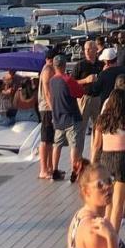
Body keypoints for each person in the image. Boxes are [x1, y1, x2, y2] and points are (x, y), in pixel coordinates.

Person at [91, 76, 125, 231]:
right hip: (124, 159)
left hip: (106, 159)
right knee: (118, 203)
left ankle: (105, 231)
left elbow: (96, 145)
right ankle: (113, 237)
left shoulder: (101, 121)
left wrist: (93, 164)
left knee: (108, 200)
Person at [67, 163, 125, 248]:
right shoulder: (95, 229)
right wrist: (111, 237)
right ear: (86, 191)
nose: (107, 186)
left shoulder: (79, 216)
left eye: (109, 181)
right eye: (100, 184)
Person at [50, 54, 87, 183]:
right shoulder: (68, 80)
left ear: (54, 66)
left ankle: (54, 170)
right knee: (74, 145)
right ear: (65, 66)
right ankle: (74, 172)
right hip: (71, 117)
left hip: (58, 118)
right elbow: (80, 93)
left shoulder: (52, 81)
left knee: (57, 145)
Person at [38, 47, 59, 180]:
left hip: (50, 107)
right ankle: (43, 169)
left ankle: (50, 167)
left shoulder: (51, 69)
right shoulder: (47, 70)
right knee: (45, 139)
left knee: (51, 139)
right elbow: (46, 92)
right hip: (46, 108)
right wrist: (53, 108)